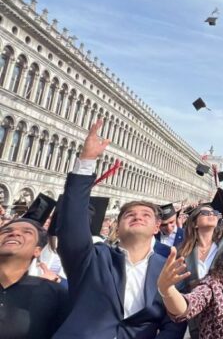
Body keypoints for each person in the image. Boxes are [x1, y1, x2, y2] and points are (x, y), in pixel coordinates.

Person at [54, 120, 186, 338]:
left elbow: (174, 325)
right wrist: (86, 162)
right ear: (117, 225)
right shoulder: (92, 258)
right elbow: (71, 225)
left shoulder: (169, 270)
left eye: (146, 215)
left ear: (156, 227)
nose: (137, 216)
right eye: (129, 214)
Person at [0, 218, 69, 339]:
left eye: (27, 232)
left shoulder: (54, 294)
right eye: (6, 230)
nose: (14, 233)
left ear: (37, 251)